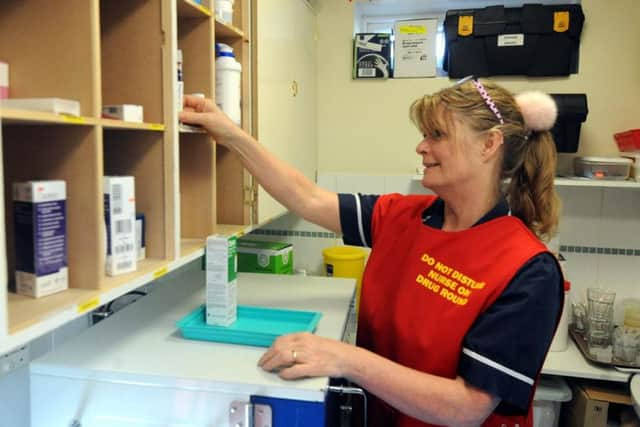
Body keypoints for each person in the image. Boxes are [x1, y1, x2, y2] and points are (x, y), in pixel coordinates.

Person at [179, 77, 564, 427]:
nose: (421, 146)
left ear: (489, 144)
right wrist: (229, 134)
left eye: (437, 134)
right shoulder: (403, 217)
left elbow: (467, 406)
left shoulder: (527, 269)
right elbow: (307, 197)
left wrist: (343, 357)